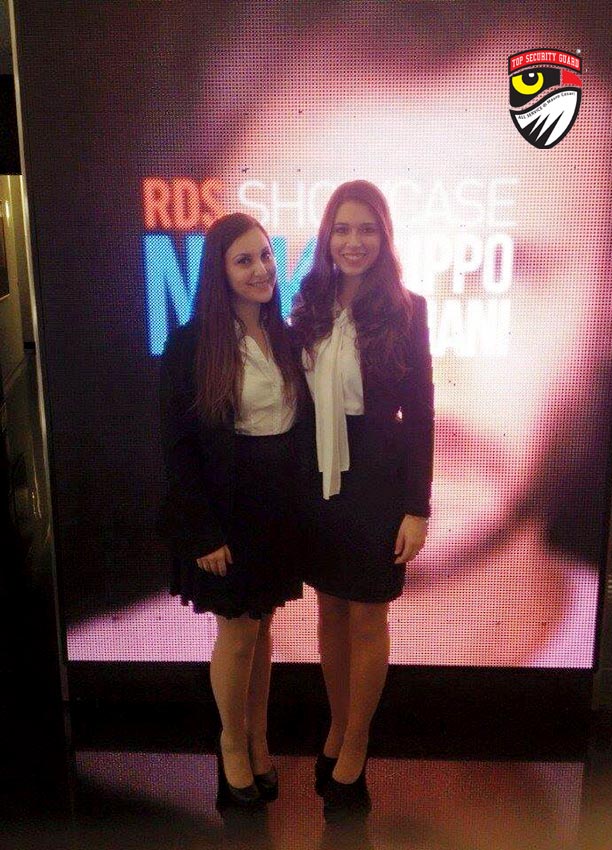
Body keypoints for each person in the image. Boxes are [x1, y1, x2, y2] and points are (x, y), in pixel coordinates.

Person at [290, 180, 435, 813]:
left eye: (367, 229)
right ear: (327, 237)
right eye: (343, 229)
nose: (354, 241)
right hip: (318, 479)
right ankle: (336, 722)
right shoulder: (307, 304)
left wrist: (418, 507)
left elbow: (422, 414)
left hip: (378, 479)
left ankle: (356, 741)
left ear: (385, 236)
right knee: (329, 609)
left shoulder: (408, 309)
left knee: (368, 614)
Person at [158, 212, 303, 809]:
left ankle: (258, 740)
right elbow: (177, 447)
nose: (261, 269)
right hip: (226, 510)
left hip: (278, 509)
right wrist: (201, 531)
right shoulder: (190, 343)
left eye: (266, 256)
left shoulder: (285, 334)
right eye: (244, 260)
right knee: (238, 634)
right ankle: (231, 746)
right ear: (218, 271)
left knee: (263, 630)